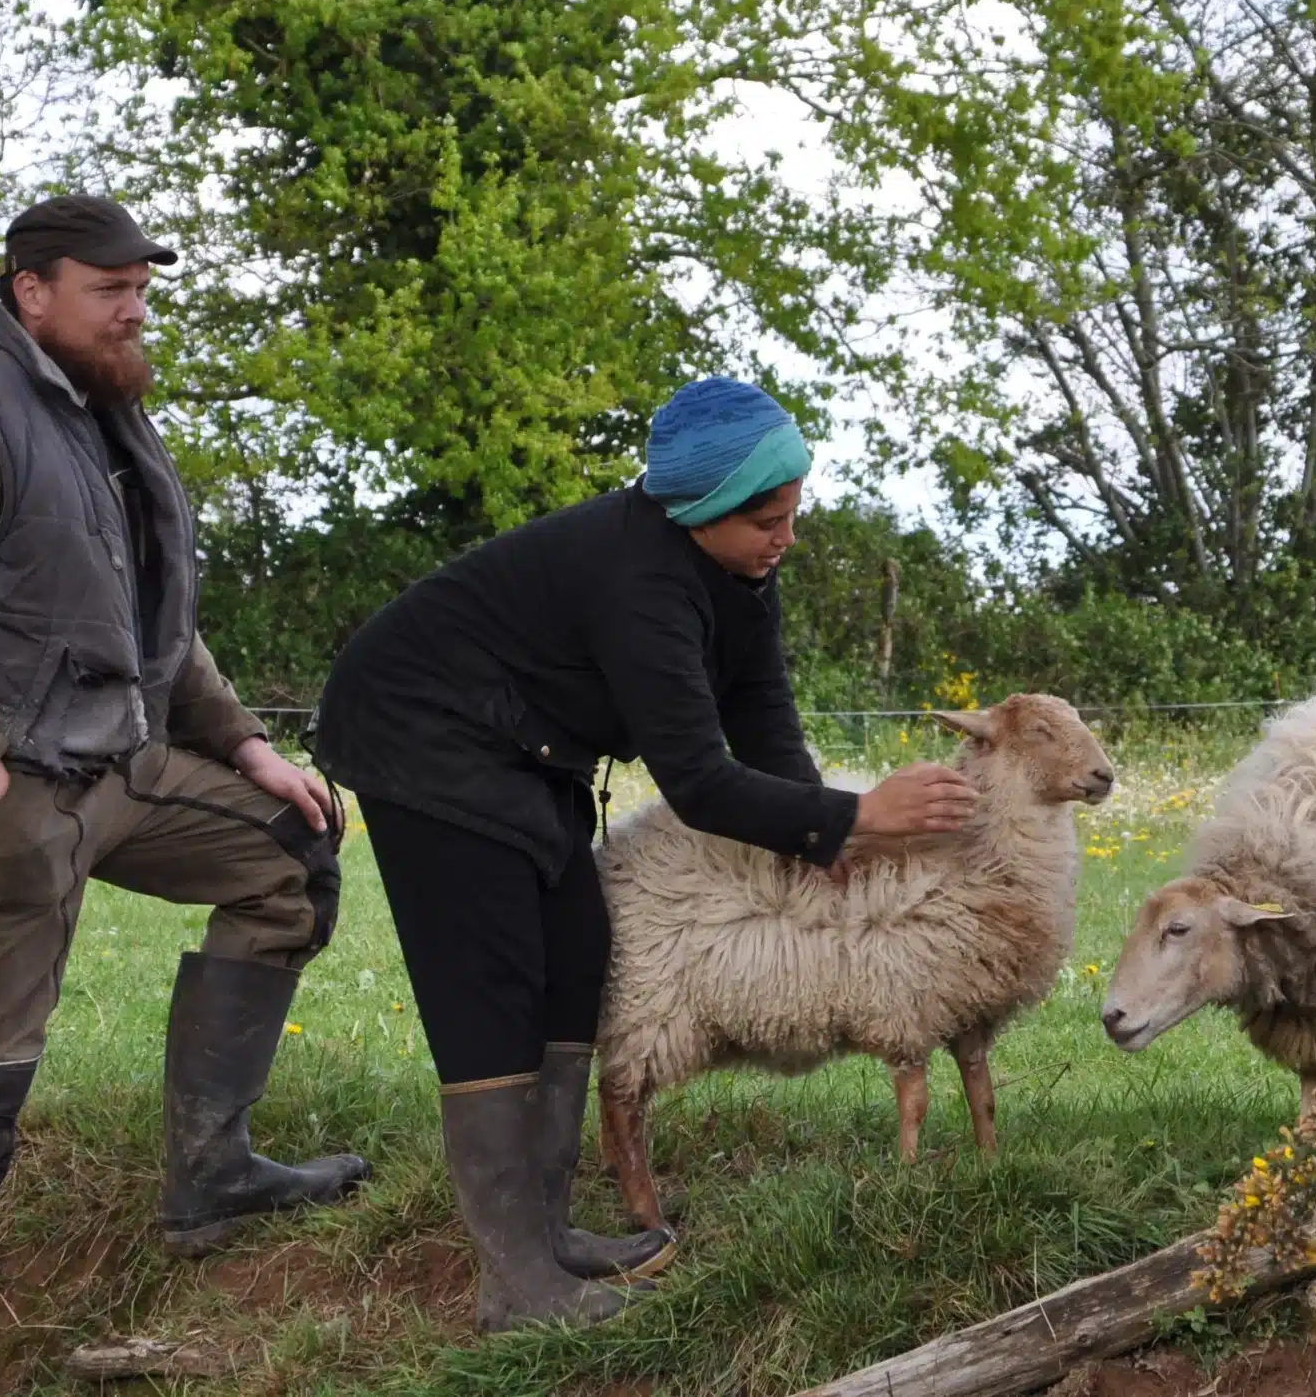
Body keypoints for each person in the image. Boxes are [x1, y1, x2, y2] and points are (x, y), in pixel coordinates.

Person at [0, 196, 370, 1397]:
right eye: (109, 287)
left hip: (116, 772)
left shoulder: (104, 419)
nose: (134, 307)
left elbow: (148, 625)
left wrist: (242, 748)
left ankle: (212, 1176)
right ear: (33, 291)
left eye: (141, 287)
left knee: (289, 855)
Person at [312, 377, 979, 1331]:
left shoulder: (738, 570)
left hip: (520, 744)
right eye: (764, 519)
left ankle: (545, 1235)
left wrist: (820, 841)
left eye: (794, 510)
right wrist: (859, 816)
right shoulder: (642, 584)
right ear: (699, 512)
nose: (784, 535)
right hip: (420, 735)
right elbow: (700, 783)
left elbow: (761, 711)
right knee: (493, 984)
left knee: (577, 951)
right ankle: (516, 1285)